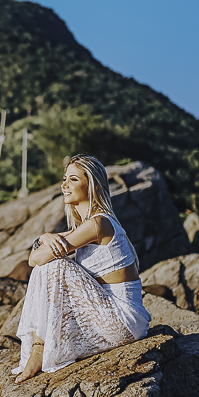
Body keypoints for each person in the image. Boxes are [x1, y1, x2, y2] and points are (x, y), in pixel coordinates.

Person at [12, 154, 150, 383]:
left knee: (55, 266)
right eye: (64, 178)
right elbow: (32, 259)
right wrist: (45, 236)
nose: (64, 185)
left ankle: (38, 351)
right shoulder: (89, 225)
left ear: (92, 185)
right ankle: (40, 349)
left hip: (121, 319)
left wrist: (46, 240)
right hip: (116, 320)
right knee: (49, 265)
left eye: (73, 179)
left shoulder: (99, 224)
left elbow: (41, 259)